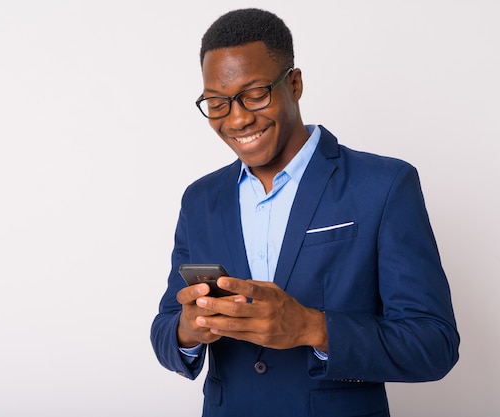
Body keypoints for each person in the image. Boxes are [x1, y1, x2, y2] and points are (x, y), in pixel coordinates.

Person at [150, 8, 459, 417]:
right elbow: (165, 328)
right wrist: (188, 331)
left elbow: (433, 345)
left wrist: (311, 327)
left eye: (255, 93)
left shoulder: (384, 185)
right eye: (217, 103)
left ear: (294, 84)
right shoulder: (200, 199)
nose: (238, 118)